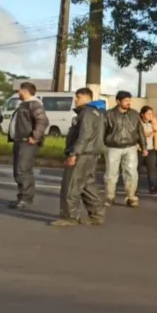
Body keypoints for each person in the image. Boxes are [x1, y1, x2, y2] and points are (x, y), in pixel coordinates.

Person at [52, 88, 106, 227]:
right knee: (87, 185)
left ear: (86, 97)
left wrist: (73, 153)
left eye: (78, 97)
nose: (75, 100)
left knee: (71, 185)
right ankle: (97, 214)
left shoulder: (87, 113)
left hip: (82, 153)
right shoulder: (98, 113)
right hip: (92, 153)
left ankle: (69, 216)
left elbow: (84, 135)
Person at [7, 82, 49, 209]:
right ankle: (22, 197)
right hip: (20, 141)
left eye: (19, 90)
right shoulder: (24, 104)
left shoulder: (33, 104)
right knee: (20, 170)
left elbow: (43, 121)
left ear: (24, 91)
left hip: (27, 142)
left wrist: (35, 137)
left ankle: (26, 198)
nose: (17, 92)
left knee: (23, 170)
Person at [103, 91, 147, 208]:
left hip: (131, 147)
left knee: (132, 173)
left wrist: (144, 147)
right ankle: (110, 196)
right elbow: (102, 132)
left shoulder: (134, 114)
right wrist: (99, 147)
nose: (129, 102)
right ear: (118, 101)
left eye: (129, 100)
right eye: (126, 100)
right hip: (113, 147)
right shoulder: (108, 114)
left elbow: (140, 131)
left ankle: (131, 197)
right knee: (111, 173)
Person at [138, 106, 157, 195]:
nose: (150, 116)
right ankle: (133, 188)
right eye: (148, 114)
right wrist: (151, 132)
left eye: (151, 114)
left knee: (152, 169)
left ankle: (153, 187)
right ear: (142, 114)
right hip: (139, 149)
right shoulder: (138, 123)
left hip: (151, 149)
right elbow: (140, 134)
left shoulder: (154, 123)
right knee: (136, 170)